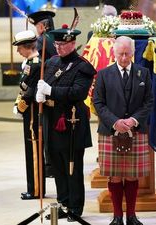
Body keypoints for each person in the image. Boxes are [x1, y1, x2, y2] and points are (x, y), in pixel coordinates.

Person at [36, 24, 96, 222]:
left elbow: (76, 93)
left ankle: (75, 207)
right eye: (57, 44)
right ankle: (63, 203)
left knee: (72, 167)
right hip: (52, 122)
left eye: (63, 44)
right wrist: (40, 93)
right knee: (57, 167)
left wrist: (50, 91)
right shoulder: (52, 62)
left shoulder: (83, 67)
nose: (59, 48)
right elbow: (46, 82)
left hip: (72, 124)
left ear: (73, 43)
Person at [93, 36, 154, 225]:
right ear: (114, 52)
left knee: (131, 174)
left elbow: (149, 101)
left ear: (133, 53)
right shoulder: (103, 74)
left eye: (128, 54)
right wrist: (115, 122)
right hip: (110, 131)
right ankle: (117, 216)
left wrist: (133, 120)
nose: (124, 58)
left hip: (136, 130)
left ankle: (132, 216)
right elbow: (98, 103)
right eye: (121, 54)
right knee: (115, 175)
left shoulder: (143, 73)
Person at [12, 30, 45, 200]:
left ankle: (36, 189)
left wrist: (20, 107)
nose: (18, 51)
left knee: (34, 151)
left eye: (19, 48)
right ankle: (34, 187)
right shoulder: (30, 62)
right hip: (29, 112)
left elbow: (29, 92)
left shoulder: (34, 64)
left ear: (26, 47)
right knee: (31, 150)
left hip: (32, 114)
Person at [28, 10, 57, 178]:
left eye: (37, 26)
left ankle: (49, 166)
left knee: (46, 129)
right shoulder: (56, 37)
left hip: (47, 87)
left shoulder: (42, 40)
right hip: (56, 86)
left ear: (41, 26)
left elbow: (40, 65)